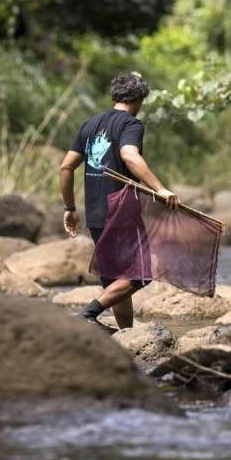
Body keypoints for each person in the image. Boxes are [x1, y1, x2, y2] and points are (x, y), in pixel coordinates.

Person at [59, 72, 179, 333]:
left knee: (115, 280)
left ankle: (126, 335)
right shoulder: (130, 124)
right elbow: (129, 154)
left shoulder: (90, 124)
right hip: (120, 210)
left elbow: (66, 167)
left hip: (95, 212)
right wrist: (160, 189)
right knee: (140, 275)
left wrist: (70, 208)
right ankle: (87, 313)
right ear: (137, 99)